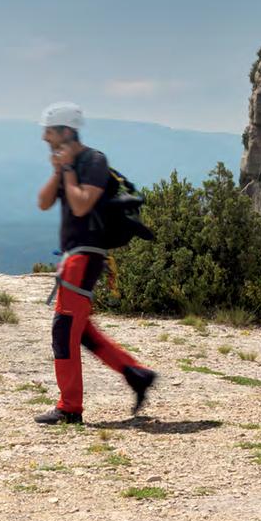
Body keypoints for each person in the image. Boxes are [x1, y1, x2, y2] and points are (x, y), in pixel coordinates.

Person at [36, 103, 157, 424]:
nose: (44, 136)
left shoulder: (93, 161)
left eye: (49, 130)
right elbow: (44, 202)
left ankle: (69, 408)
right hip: (73, 257)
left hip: (86, 256)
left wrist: (70, 172)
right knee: (82, 332)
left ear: (66, 131)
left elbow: (80, 206)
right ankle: (137, 374)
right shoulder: (68, 164)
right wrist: (58, 171)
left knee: (64, 331)